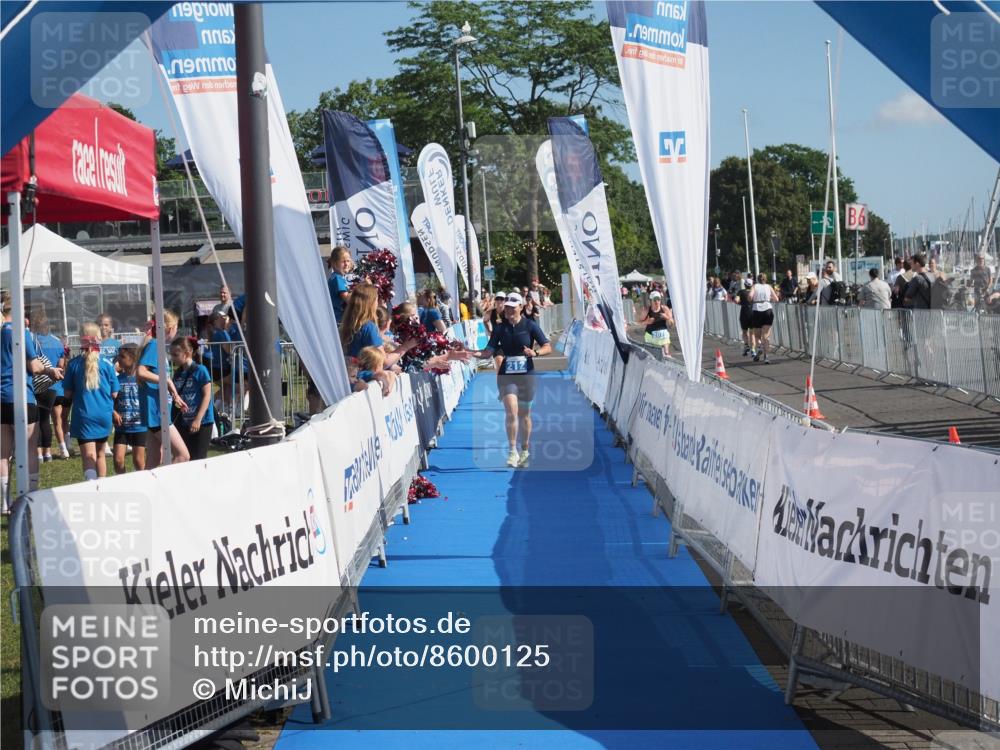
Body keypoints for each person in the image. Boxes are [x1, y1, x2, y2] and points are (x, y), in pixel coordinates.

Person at [467, 292, 551, 468]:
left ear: (521, 307)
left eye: (513, 307)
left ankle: (525, 450)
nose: (509, 310)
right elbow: (488, 352)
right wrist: (468, 352)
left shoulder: (530, 325)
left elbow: (547, 346)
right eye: (507, 307)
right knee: (511, 412)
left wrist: (535, 352)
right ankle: (512, 451)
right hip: (507, 376)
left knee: (524, 415)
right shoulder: (500, 328)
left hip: (526, 375)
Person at [2, 298, 63, 504]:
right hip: (22, 396)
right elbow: (35, 366)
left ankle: (4, 502)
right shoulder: (20, 332)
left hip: (2, 397)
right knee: (29, 448)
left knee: (3, 453)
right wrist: (50, 371)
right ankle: (31, 496)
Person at [62, 324, 119, 481]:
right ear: (98, 338)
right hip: (104, 415)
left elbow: (67, 393)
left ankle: (92, 487)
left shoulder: (73, 364)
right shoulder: (108, 364)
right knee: (100, 454)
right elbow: (115, 393)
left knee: (88, 455)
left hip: (84, 415)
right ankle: (102, 487)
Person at [137, 310, 190, 469]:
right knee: (183, 455)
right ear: (170, 328)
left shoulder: (155, 345)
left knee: (155, 459)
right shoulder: (154, 345)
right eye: (176, 327)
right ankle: (166, 482)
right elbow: (141, 372)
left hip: (157, 410)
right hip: (157, 412)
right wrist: (166, 381)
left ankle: (148, 483)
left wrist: (174, 394)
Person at [29, 309, 68, 463]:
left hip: (36, 384)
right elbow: (61, 365)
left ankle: (39, 454)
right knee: (52, 420)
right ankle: (51, 452)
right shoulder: (57, 342)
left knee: (36, 420)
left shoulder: (32, 340)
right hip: (54, 386)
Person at [169, 336, 214, 461]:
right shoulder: (177, 373)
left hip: (202, 422)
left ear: (187, 353)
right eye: (171, 355)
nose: (172, 358)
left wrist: (198, 419)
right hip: (184, 422)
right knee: (184, 458)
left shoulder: (200, 370)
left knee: (198, 458)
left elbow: (207, 395)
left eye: (175, 355)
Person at [112, 344, 146, 474]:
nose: (118, 359)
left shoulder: (143, 378)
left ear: (133, 358)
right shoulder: (116, 380)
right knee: (118, 460)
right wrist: (114, 412)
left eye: (122, 356)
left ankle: (144, 482)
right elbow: (109, 400)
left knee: (138, 461)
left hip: (140, 426)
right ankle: (123, 482)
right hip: (122, 427)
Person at [749, 273, 779, 364]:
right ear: (765, 279)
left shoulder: (754, 286)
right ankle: (766, 357)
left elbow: (750, 296)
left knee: (757, 335)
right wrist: (768, 298)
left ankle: (760, 347)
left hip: (757, 310)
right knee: (766, 336)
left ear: (758, 279)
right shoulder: (769, 287)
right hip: (767, 309)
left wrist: (752, 300)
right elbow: (776, 299)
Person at [638, 290, 674, 358]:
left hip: (663, 335)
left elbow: (672, 323)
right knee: (652, 356)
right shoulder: (647, 310)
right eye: (655, 300)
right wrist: (647, 322)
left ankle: (667, 357)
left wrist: (667, 318)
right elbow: (638, 322)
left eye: (658, 299)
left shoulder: (664, 308)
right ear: (651, 300)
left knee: (666, 354)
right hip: (651, 336)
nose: (657, 302)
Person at [327, 246, 353, 323]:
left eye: (348, 261)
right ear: (335, 263)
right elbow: (347, 299)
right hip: (339, 320)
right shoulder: (338, 278)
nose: (346, 264)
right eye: (343, 261)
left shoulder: (337, 277)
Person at [735, 278, 756, 356]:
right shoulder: (754, 292)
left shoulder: (741, 292)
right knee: (752, 333)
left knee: (744, 331)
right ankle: (753, 350)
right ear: (752, 285)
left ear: (745, 285)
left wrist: (741, 303)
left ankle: (747, 345)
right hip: (753, 313)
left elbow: (736, 300)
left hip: (744, 313)